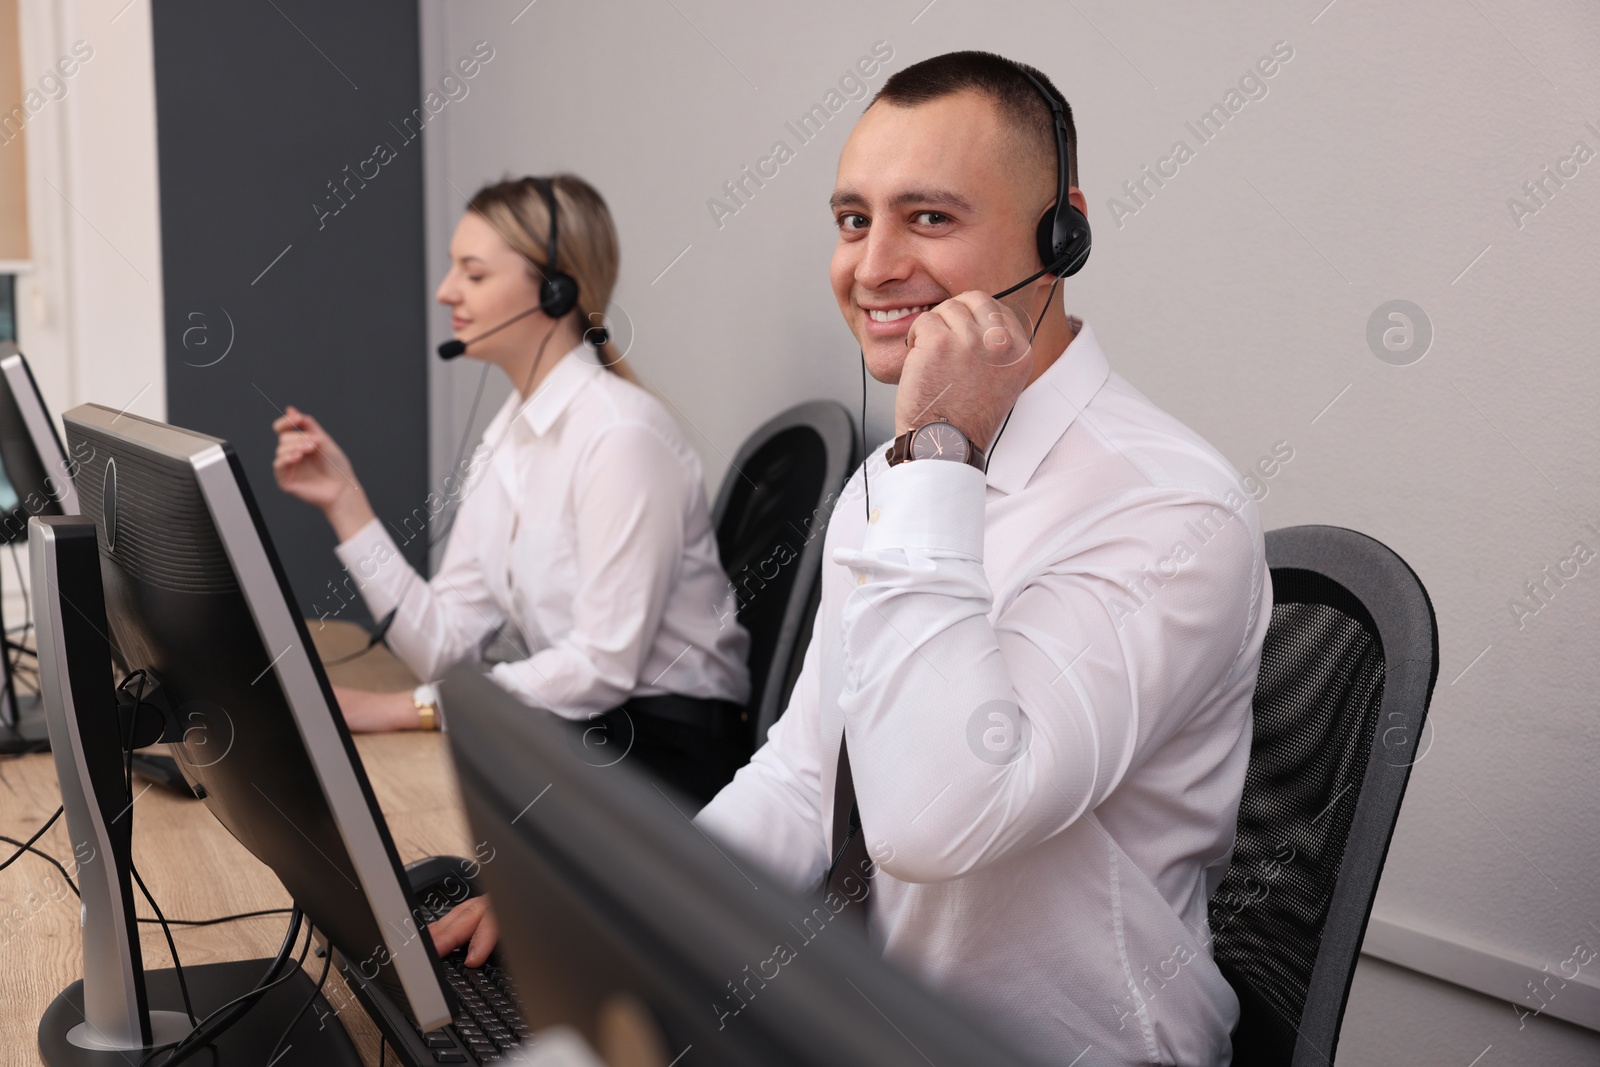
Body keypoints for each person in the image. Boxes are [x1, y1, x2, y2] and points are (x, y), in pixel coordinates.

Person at [432, 55, 1270, 1065]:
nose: (870, 267)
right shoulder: (896, 475)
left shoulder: (1168, 504)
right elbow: (800, 777)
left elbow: (931, 819)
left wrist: (939, 451)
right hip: (856, 1015)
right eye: (851, 220)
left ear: (1062, 234)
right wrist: (604, 907)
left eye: (927, 217)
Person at [273, 174, 752, 804]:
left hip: (666, 756)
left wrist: (405, 709)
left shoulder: (621, 436)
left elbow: (603, 666)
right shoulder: (508, 438)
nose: (447, 292)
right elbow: (443, 646)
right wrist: (345, 503)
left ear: (554, 292)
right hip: (586, 729)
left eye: (473, 274)